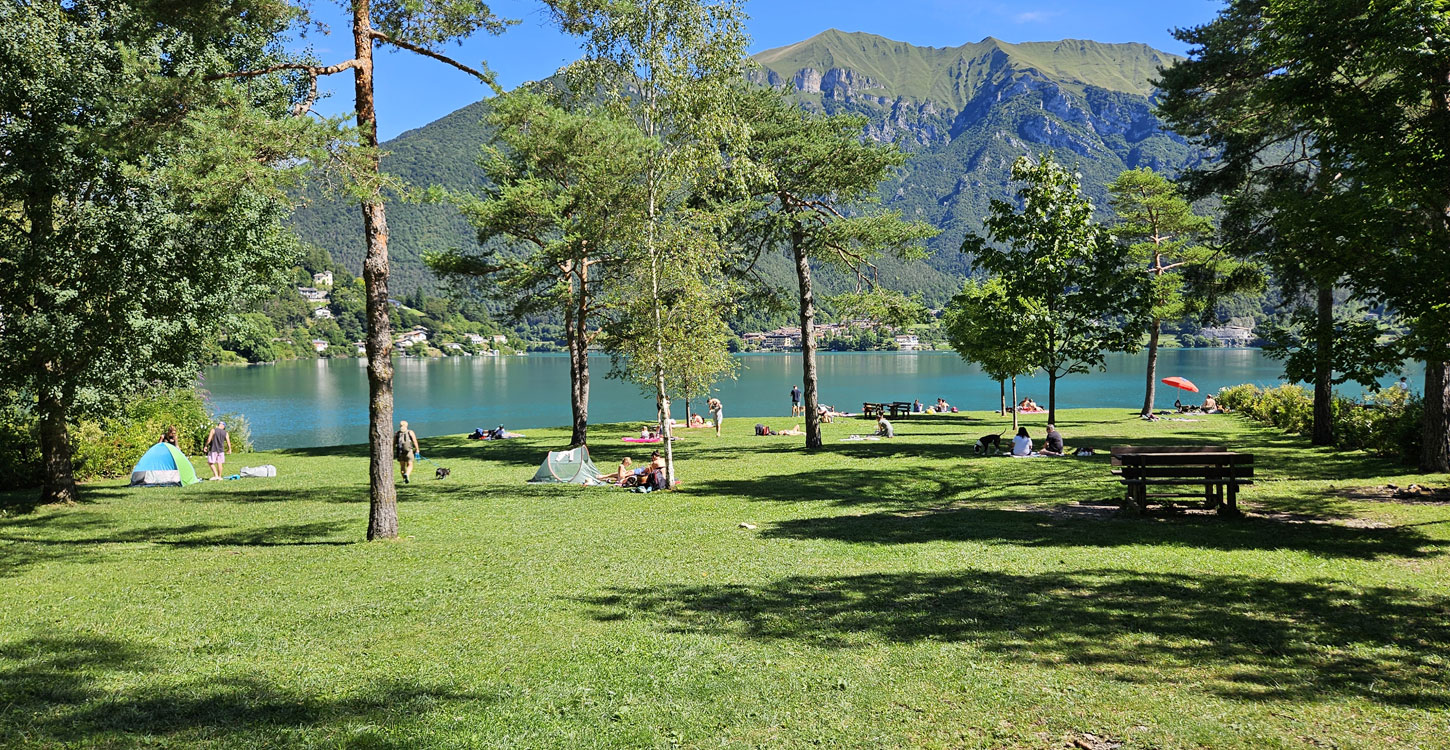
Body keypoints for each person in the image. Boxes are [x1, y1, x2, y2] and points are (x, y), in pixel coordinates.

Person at [394, 420, 419, 484]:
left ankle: (404, 480)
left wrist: (392, 451)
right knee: (410, 464)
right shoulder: (410, 432)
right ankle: (407, 474)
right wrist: (417, 449)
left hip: (400, 452)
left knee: (402, 466)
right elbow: (414, 441)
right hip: (409, 451)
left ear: (400, 426)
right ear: (407, 425)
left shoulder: (397, 433)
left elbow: (393, 443)